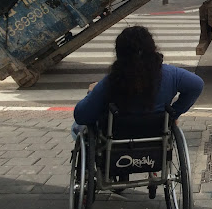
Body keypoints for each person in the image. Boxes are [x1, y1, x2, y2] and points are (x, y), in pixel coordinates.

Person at [72, 26, 204, 136]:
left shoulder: (111, 81)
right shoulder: (170, 74)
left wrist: (91, 93)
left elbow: (81, 116)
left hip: (117, 137)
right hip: (156, 133)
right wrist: (173, 114)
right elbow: (196, 85)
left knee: (77, 127)